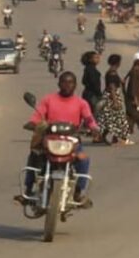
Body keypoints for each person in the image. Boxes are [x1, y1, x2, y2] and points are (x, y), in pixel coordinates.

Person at [14, 71, 99, 206]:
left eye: (70, 82)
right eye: (64, 82)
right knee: (34, 156)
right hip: (50, 139)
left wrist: (94, 128)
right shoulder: (48, 100)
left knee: (84, 160)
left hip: (72, 141)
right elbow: (37, 116)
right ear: (59, 83)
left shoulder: (81, 103)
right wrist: (34, 124)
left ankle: (78, 192)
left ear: (75, 85)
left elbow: (89, 119)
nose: (67, 85)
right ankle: (28, 190)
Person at [97, 73, 132, 145]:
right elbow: (113, 92)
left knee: (110, 123)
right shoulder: (112, 85)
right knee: (120, 122)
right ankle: (122, 139)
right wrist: (116, 103)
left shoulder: (107, 88)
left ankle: (111, 138)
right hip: (113, 106)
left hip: (108, 107)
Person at [81, 51, 103, 119]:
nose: (98, 59)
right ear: (90, 59)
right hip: (92, 96)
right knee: (94, 115)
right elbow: (94, 84)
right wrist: (99, 94)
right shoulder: (92, 70)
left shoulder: (88, 68)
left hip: (87, 94)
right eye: (96, 58)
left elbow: (83, 81)